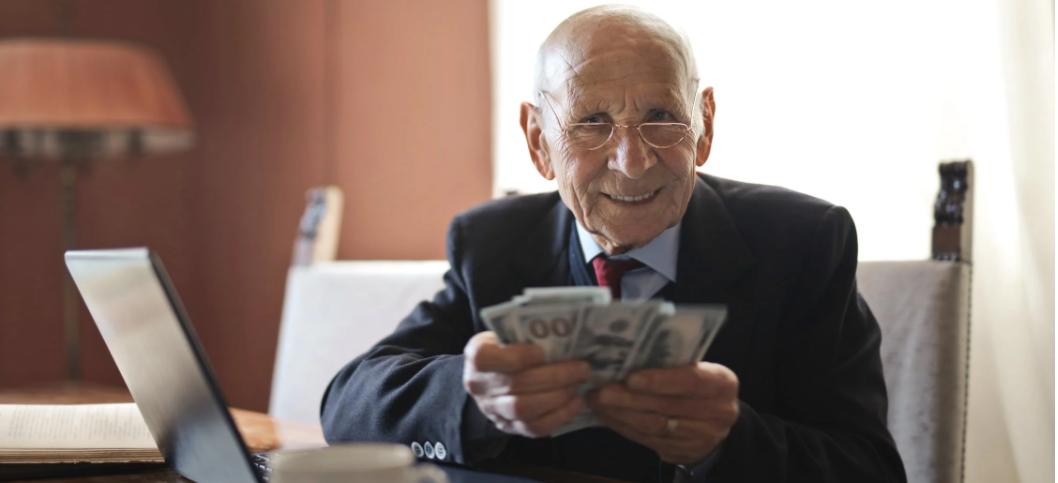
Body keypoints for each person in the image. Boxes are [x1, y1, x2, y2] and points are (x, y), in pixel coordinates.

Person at [321, 5, 906, 483]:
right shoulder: (493, 244)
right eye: (592, 123)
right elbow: (349, 405)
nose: (632, 162)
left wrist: (728, 442)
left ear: (704, 126)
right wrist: (477, 401)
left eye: (661, 117)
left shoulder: (803, 243)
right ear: (538, 142)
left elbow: (871, 469)